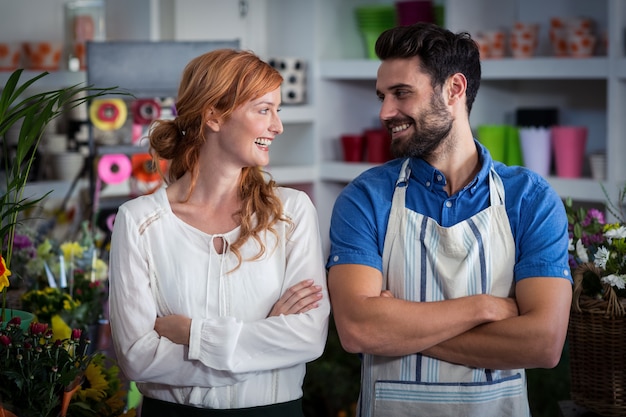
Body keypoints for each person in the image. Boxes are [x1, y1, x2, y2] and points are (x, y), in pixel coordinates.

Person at [327, 22, 573, 417]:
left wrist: (397, 331)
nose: (385, 112)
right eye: (382, 96)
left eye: (401, 93)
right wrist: (485, 308)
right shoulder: (365, 197)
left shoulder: (529, 198)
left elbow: (543, 344)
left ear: (454, 89)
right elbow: (358, 330)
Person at [108, 49, 329, 416]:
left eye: (278, 110)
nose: (278, 126)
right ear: (213, 115)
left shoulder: (292, 212)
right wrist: (259, 346)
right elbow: (137, 359)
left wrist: (194, 335)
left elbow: (306, 337)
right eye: (264, 110)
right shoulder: (139, 221)